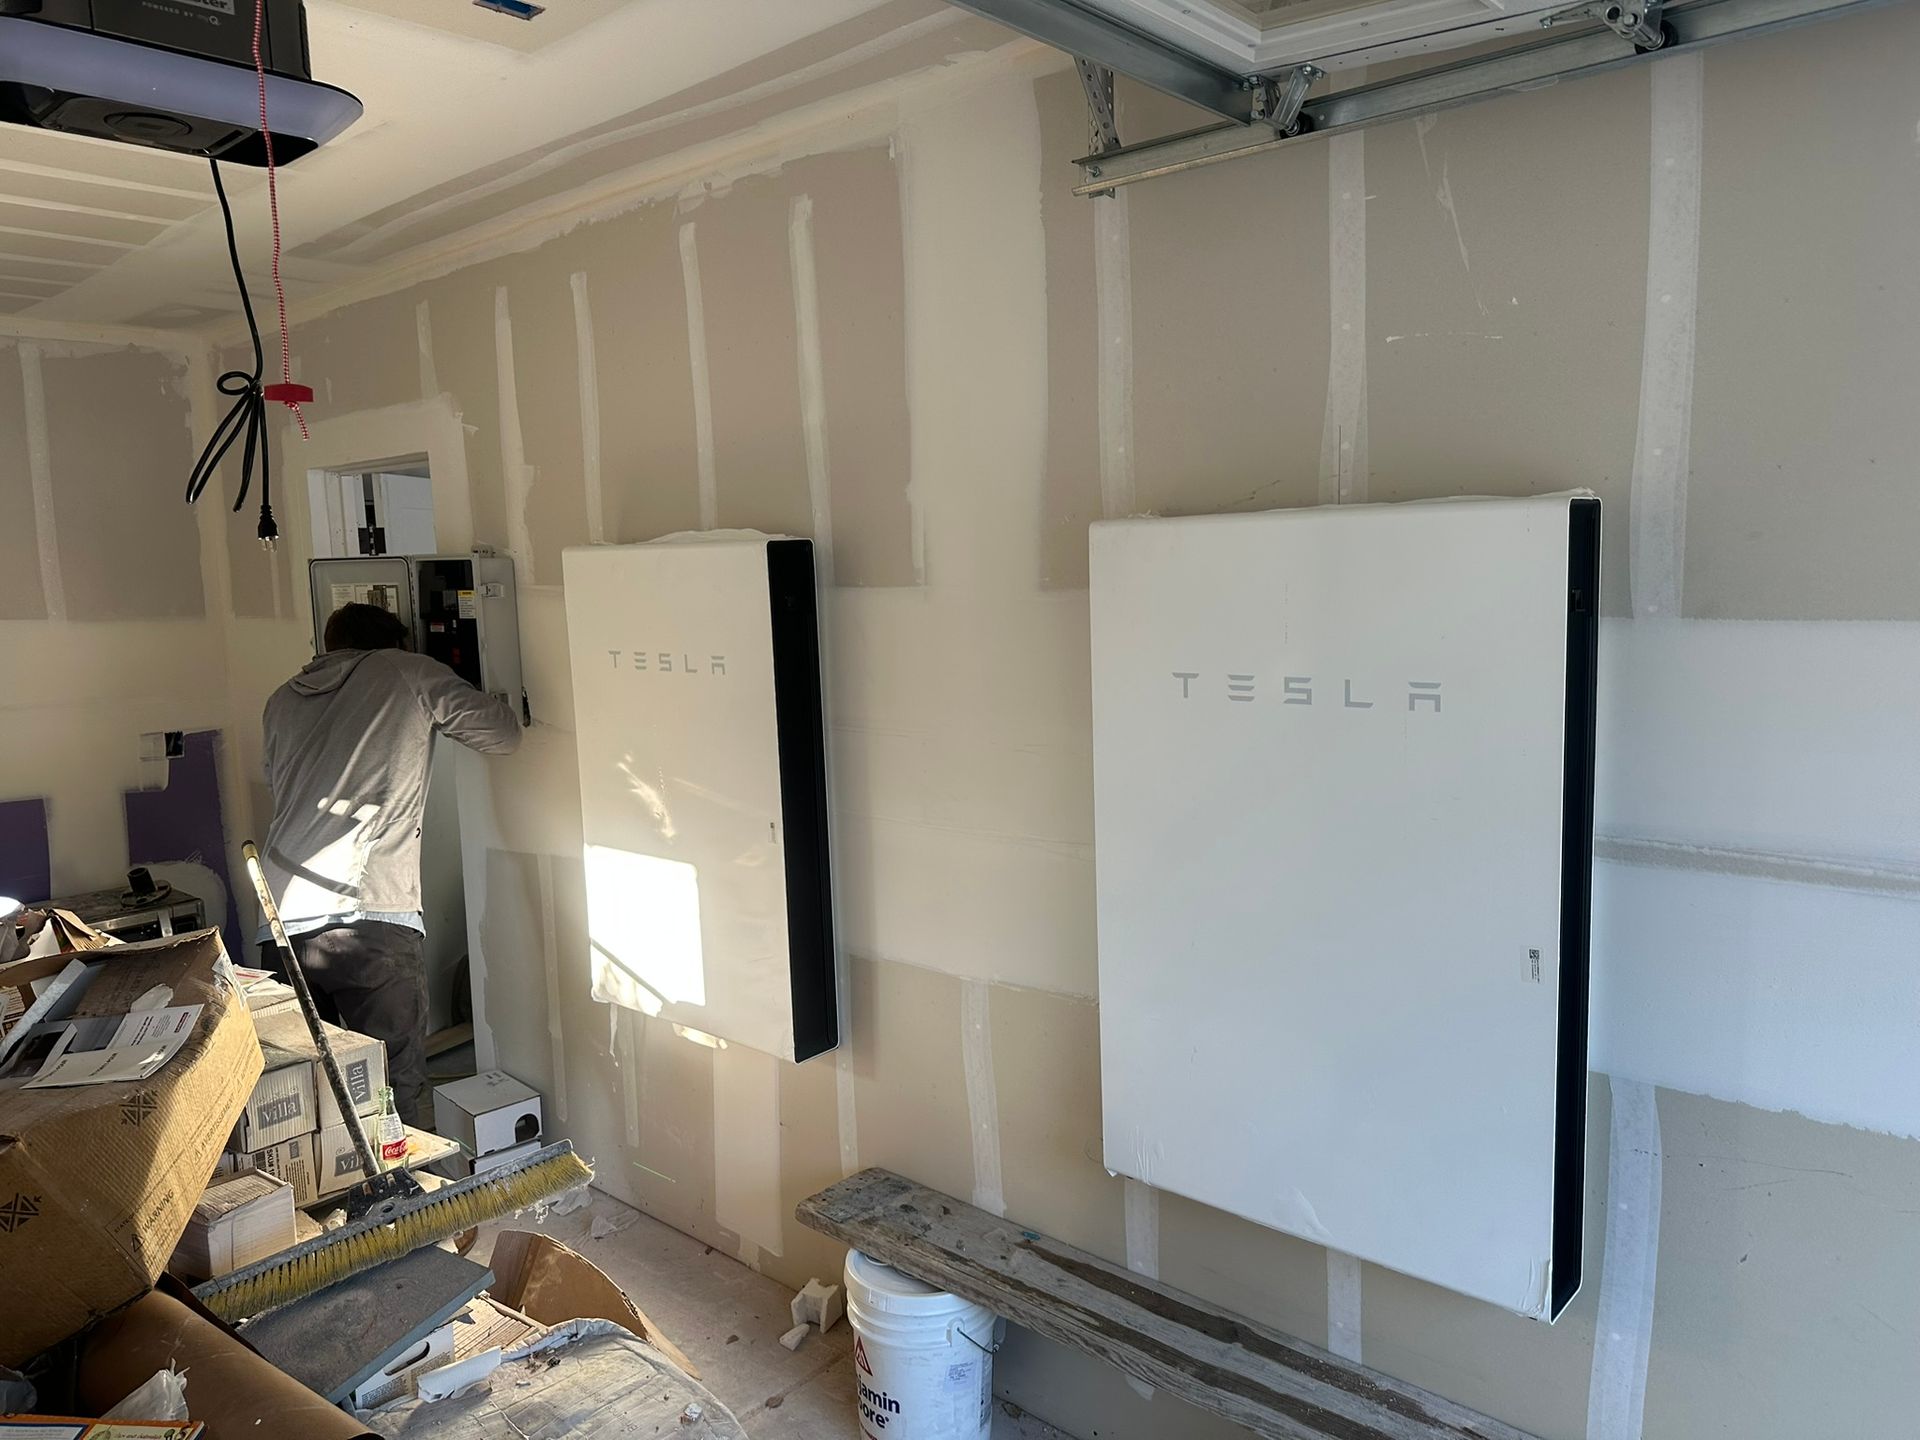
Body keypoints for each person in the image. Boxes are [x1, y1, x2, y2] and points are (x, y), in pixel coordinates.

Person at [259, 602, 521, 1128]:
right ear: (394, 642)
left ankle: (336, 1192)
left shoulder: (281, 698)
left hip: (281, 913)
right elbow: (504, 735)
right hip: (367, 914)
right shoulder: (406, 671)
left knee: (309, 1082)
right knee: (390, 1081)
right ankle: (405, 1192)